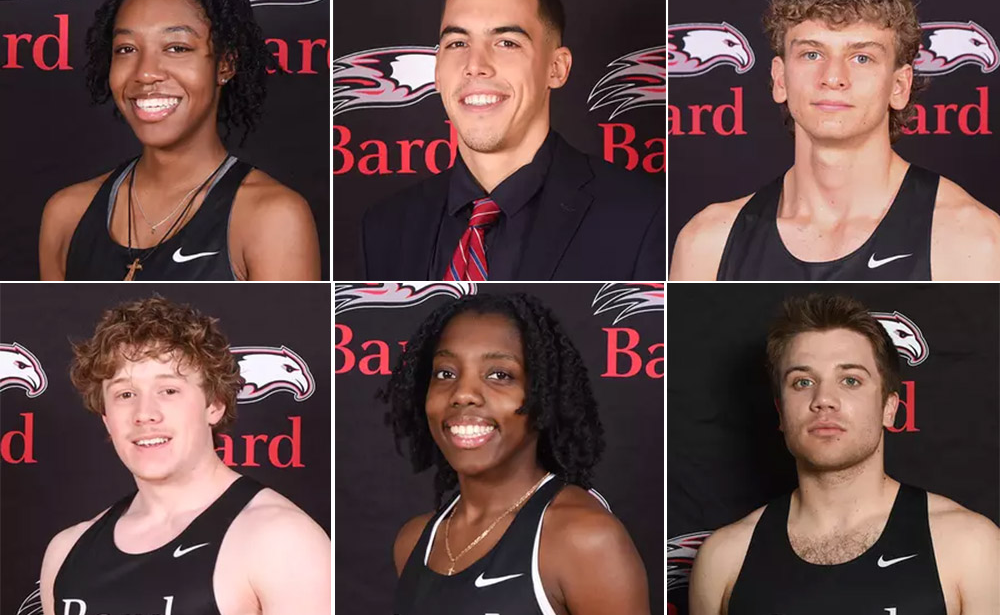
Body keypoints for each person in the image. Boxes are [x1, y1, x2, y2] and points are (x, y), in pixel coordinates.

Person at [671, 0, 1000, 281]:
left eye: (861, 57)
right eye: (812, 54)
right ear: (780, 79)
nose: (833, 77)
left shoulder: (972, 241)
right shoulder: (709, 242)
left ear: (899, 86)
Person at [688, 294, 999, 614]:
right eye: (802, 382)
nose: (823, 399)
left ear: (889, 408)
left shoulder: (969, 545)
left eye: (850, 380)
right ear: (781, 413)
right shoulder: (724, 558)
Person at [361, 0, 664, 281]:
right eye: (457, 43)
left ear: (557, 68)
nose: (475, 65)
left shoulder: (642, 216)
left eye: (507, 43)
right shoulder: (385, 226)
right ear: (437, 70)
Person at [38, 296, 330, 614]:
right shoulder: (67, 551)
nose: (144, 414)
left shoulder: (281, 540)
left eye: (169, 390)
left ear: (214, 404)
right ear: (106, 417)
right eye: (125, 394)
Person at [38, 0, 321, 281]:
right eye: (127, 49)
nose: (145, 73)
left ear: (225, 64)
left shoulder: (273, 217)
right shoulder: (66, 213)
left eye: (177, 47)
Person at [379, 293, 650, 614]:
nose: (463, 393)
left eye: (500, 375)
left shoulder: (584, 540)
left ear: (544, 397)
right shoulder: (413, 541)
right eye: (445, 373)